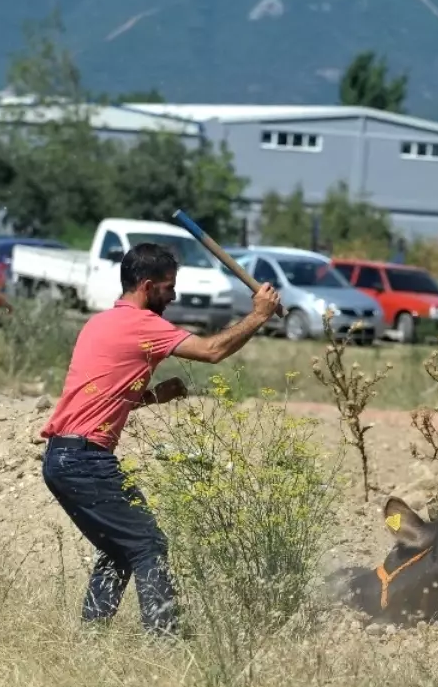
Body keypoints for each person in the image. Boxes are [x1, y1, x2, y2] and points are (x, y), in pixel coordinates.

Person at [40, 243, 281, 636]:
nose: (174, 295)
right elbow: (212, 350)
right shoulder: (142, 324)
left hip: (61, 459)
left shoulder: (98, 324)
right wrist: (259, 315)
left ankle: (90, 637)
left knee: (119, 549)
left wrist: (152, 397)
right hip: (86, 460)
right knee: (148, 546)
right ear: (148, 286)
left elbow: (100, 397)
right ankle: (165, 643)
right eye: (169, 287)